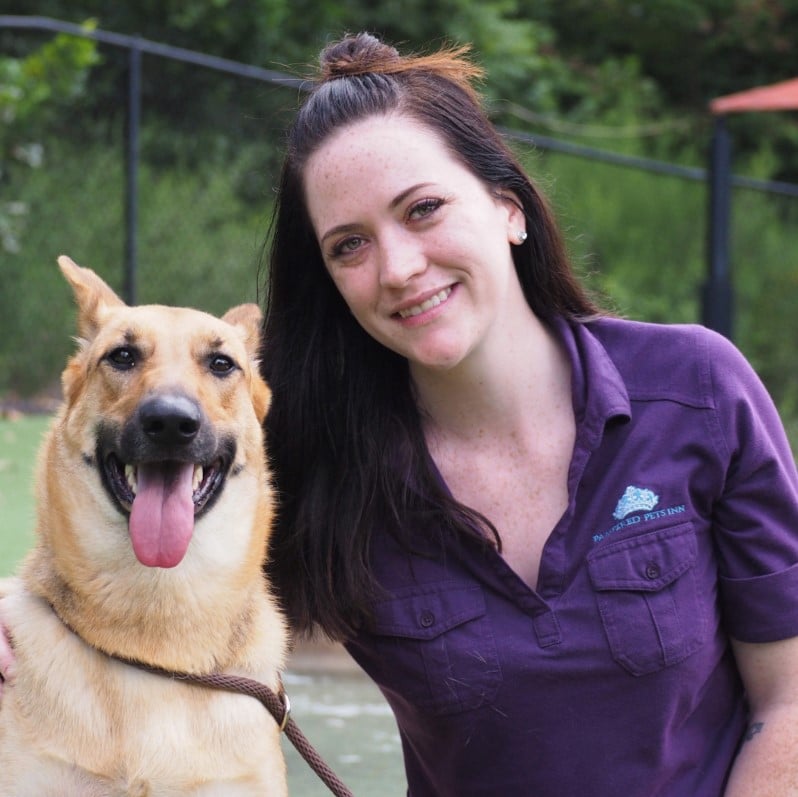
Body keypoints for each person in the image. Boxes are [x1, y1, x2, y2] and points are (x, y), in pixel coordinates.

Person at [3, 31, 798, 796]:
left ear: (509, 206)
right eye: (349, 245)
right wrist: (19, 612)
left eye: (422, 209)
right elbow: (134, 561)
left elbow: (788, 700)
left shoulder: (695, 388)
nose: (399, 268)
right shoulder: (307, 453)